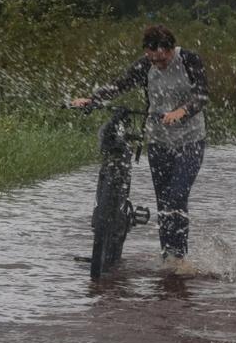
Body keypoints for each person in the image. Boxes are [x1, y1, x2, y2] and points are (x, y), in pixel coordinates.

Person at [70, 24, 208, 261]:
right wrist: (91, 100)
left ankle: (180, 256)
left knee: (177, 196)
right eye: (154, 60)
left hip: (191, 141)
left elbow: (202, 95)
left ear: (171, 49)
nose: (159, 64)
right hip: (158, 141)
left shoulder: (189, 59)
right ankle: (169, 257)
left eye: (163, 60)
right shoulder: (145, 65)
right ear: (147, 53)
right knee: (163, 203)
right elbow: (119, 85)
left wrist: (181, 112)